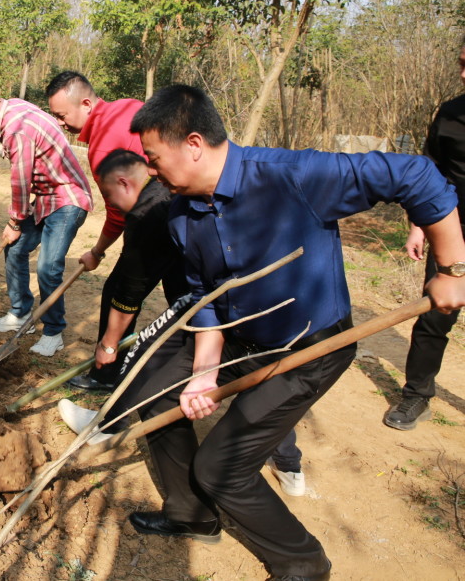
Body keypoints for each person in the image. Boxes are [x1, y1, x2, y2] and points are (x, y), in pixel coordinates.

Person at [126, 85, 465, 581]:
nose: (150, 172)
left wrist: (452, 268)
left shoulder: (293, 176)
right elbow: (205, 300)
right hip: (241, 334)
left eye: (154, 159)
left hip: (309, 348)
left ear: (193, 144)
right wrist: (202, 373)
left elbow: (415, 174)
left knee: (221, 468)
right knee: (153, 395)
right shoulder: (182, 214)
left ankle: (302, 563)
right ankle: (190, 515)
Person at [57, 149, 306, 497]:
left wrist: (109, 343)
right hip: (254, 296)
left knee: (148, 349)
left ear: (125, 183)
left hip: (220, 300)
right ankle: (288, 463)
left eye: (110, 197)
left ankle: (107, 424)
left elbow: (130, 290)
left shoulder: (148, 213)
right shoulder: (172, 188)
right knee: (261, 375)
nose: (111, 207)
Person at [0, 81, 92, 357]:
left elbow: (20, 181)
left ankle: (53, 332)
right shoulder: (12, 110)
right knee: (15, 250)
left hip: (67, 199)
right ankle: (20, 314)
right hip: (45, 198)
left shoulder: (17, 128)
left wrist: (15, 222)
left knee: (48, 267)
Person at [45, 71, 145, 390]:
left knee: (120, 293)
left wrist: (97, 252)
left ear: (86, 103)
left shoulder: (102, 147)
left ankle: (108, 373)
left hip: (154, 220)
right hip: (173, 210)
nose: (60, 123)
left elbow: (118, 214)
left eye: (62, 115)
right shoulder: (127, 105)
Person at [386, 43, 465, 431]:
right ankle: (416, 395)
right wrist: (419, 225)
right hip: (453, 230)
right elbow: (432, 174)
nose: (464, 74)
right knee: (436, 314)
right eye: (463, 64)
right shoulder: (450, 114)